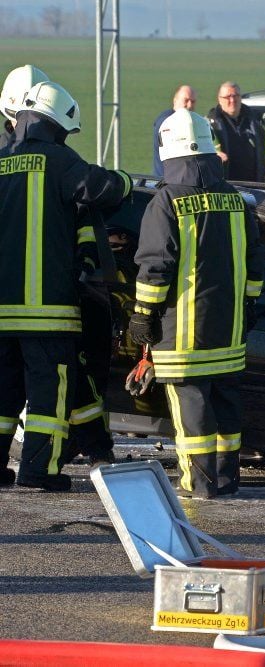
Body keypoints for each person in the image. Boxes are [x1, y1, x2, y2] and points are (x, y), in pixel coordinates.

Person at [0, 81, 132, 491]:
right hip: (47, 312)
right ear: (57, 123)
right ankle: (38, 472)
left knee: (3, 393)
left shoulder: (2, 159)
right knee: (48, 395)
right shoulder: (58, 161)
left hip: (2, 311)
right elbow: (104, 189)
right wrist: (127, 181)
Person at [130, 109, 265, 498]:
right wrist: (249, 305)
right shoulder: (237, 202)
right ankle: (226, 480)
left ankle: (197, 484)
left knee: (192, 410)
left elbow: (156, 266)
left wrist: (142, 316)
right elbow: (255, 264)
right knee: (225, 406)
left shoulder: (166, 202)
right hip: (229, 331)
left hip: (183, 336)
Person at [206, 81, 265, 184]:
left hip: (256, 187)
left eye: (235, 96)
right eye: (227, 97)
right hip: (226, 188)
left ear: (240, 97)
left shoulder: (257, 122)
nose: (232, 100)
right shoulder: (210, 124)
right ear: (219, 99)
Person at [152, 84, 196, 178]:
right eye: (186, 100)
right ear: (175, 100)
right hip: (167, 181)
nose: (190, 105)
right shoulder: (166, 122)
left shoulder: (185, 121)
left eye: (193, 101)